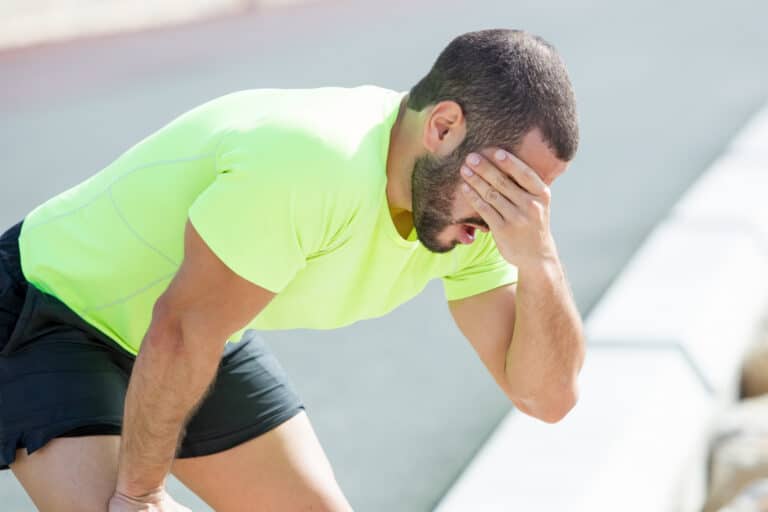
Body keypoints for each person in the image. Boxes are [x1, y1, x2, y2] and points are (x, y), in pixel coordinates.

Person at [0, 28, 585, 511]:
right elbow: (181, 331)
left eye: (535, 195)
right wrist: (140, 493)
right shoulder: (314, 161)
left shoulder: (480, 221)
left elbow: (546, 399)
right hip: (53, 308)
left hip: (196, 325)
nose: (516, 210)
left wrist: (542, 261)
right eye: (510, 184)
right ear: (444, 126)